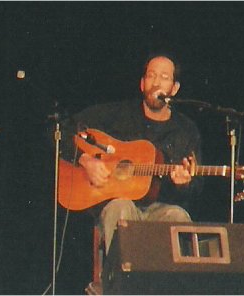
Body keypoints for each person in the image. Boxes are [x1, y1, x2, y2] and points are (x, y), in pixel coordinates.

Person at [59, 53, 203, 293]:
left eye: (164, 77)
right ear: (142, 83)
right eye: (151, 75)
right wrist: (85, 160)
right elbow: (62, 131)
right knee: (122, 207)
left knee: (178, 216)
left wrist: (183, 183)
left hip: (160, 209)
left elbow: (196, 189)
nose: (156, 82)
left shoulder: (186, 130)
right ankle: (118, 288)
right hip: (115, 205)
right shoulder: (116, 114)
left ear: (175, 88)